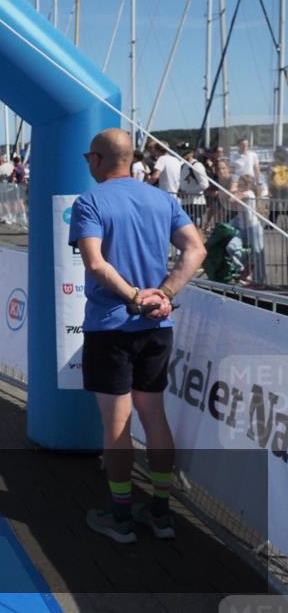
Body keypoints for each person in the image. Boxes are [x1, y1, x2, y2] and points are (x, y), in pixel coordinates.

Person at [70, 128, 205, 544]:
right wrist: (162, 294)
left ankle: (121, 515)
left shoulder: (90, 201)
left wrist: (135, 296)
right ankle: (162, 513)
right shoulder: (162, 199)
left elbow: (94, 264)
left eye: (88, 158)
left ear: (97, 159)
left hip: (113, 326)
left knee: (116, 426)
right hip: (156, 326)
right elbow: (195, 249)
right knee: (154, 416)